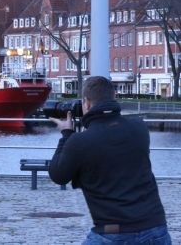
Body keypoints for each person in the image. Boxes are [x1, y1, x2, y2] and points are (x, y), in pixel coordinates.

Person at [48, 76, 171, 244]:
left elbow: (58, 175)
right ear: (114, 97)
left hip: (112, 233)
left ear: (87, 103)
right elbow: (111, 145)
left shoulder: (80, 142)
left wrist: (66, 134)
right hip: (155, 228)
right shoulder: (139, 129)